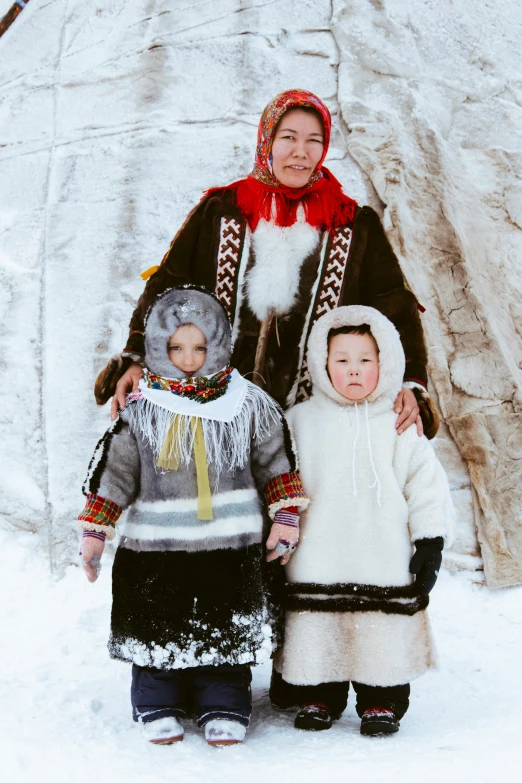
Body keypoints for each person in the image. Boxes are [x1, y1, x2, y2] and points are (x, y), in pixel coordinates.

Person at [94, 89, 439, 440]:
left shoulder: (352, 224)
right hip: (211, 412)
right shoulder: (220, 211)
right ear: (267, 139)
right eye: (288, 137)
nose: (301, 152)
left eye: (314, 140)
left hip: (317, 424)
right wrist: (136, 357)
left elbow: (394, 304)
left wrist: (409, 381)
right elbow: (168, 287)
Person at [78, 286, 308, 746]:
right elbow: (115, 474)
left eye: (200, 347)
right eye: (175, 348)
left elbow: (276, 462)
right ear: (157, 350)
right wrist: (95, 531)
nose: (188, 358)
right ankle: (158, 698)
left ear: (220, 344)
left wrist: (285, 518)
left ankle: (222, 700)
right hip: (157, 547)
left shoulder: (246, 405)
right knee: (157, 625)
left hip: (232, 544)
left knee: (226, 629)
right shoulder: (141, 411)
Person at [270, 304, 454, 735]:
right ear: (322, 363)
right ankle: (320, 693)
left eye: (366, 360)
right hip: (318, 556)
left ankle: (382, 698)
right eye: (342, 360)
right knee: (322, 631)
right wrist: (278, 529)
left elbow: (425, 484)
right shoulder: (299, 422)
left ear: (385, 362)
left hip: (382, 559)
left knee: (380, 633)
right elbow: (281, 480)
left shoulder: (399, 424)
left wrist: (430, 541)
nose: (354, 370)